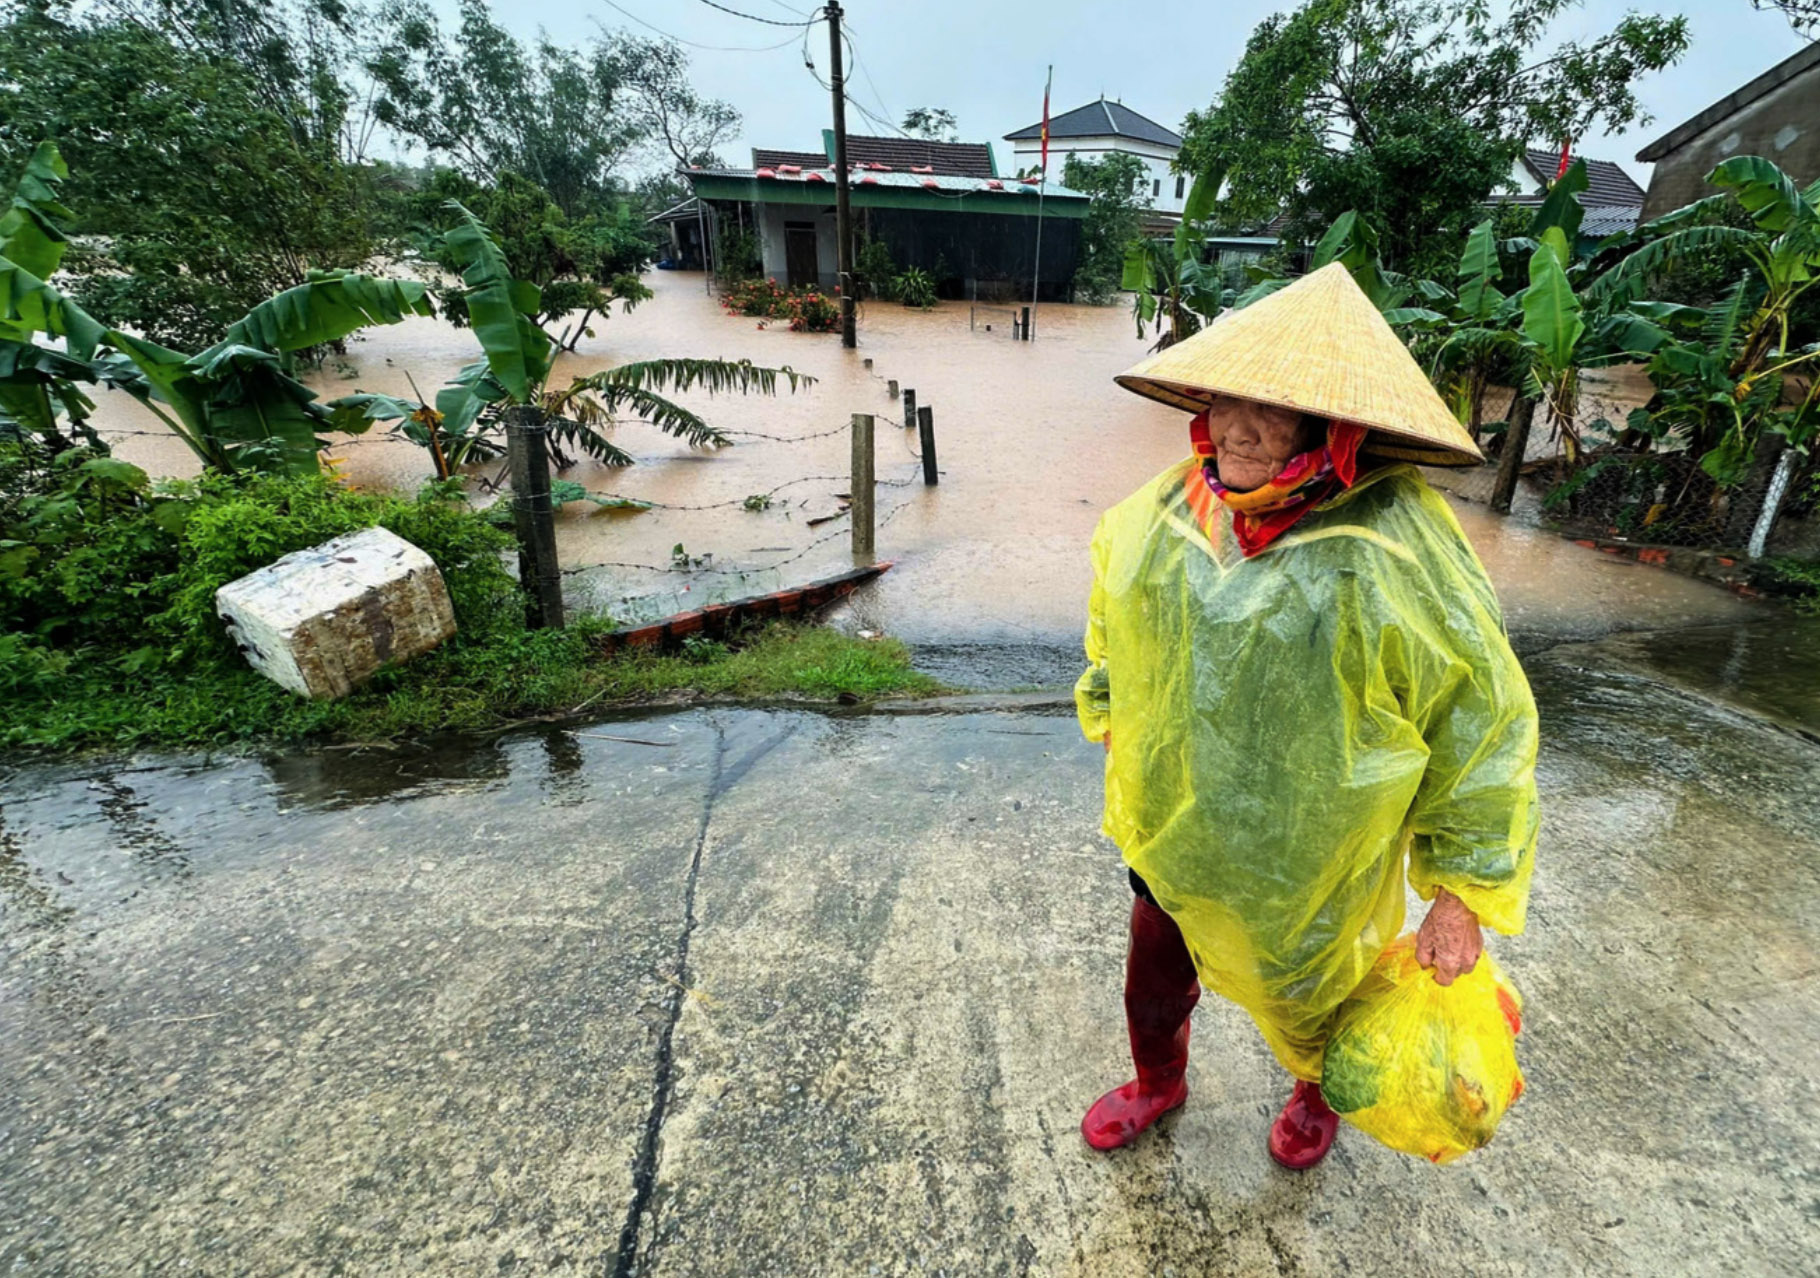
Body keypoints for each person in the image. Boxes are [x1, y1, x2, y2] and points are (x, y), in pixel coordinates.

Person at [1075, 263, 1539, 1169]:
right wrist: (1112, 711)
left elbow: (1480, 721)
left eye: (1277, 410)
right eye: (1229, 400)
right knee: (1158, 969)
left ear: (1337, 427)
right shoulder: (1169, 509)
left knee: (1319, 989)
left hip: (1319, 844)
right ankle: (1159, 1080)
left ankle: (1313, 1091)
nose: (1241, 429)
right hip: (1178, 818)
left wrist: (1463, 893)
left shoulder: (1397, 543)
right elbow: (1113, 621)